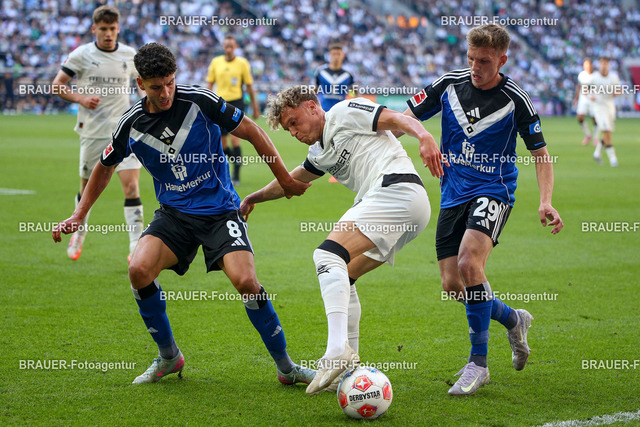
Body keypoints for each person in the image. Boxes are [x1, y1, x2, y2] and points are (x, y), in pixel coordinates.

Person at [52, 43, 314, 386]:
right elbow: (104, 165)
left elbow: (252, 131)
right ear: (140, 84)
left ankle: (287, 368)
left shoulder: (200, 101)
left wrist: (285, 180)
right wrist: (79, 213)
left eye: (170, 83)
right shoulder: (131, 124)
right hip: (174, 215)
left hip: (221, 212)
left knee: (247, 282)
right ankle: (169, 356)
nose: (165, 93)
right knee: (138, 270)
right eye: (156, 86)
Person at [240, 86, 445, 395]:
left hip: (397, 190)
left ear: (312, 107)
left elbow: (397, 120)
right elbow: (290, 182)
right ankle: (347, 373)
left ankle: (337, 349)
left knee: (327, 256)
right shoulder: (318, 152)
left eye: (294, 122)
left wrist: (425, 136)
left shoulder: (343, 112)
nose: (293, 132)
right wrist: (252, 198)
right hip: (406, 209)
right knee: (344, 275)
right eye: (288, 129)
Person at [402, 24, 563, 395]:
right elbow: (404, 117)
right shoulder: (448, 84)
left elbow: (541, 154)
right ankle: (513, 318)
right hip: (452, 193)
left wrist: (545, 200)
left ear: (502, 60)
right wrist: (416, 136)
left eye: (485, 61)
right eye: (471, 58)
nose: (476, 67)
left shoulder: (516, 100)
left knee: (469, 263)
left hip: (494, 190)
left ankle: (478, 364)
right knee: (452, 284)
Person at [51, 5, 144, 262]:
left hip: (124, 132)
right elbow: (57, 85)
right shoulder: (81, 54)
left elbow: (143, 86)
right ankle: (79, 232)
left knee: (132, 186)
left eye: (112, 28)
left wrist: (145, 104)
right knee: (86, 188)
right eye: (103, 29)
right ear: (94, 29)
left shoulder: (130, 55)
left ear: (118, 28)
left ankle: (136, 245)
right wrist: (81, 99)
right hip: (93, 131)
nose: (108, 33)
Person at [205, 35, 260, 186]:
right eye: (226, 46)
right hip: (220, 104)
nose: (229, 49)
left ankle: (236, 175)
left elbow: (249, 86)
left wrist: (255, 107)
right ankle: (234, 164)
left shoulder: (242, 63)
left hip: (236, 103)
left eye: (231, 46)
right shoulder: (216, 62)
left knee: (235, 139)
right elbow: (209, 84)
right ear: (223, 48)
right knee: (222, 145)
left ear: (235, 47)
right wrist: (206, 104)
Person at [590, 57, 621, 167]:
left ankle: (597, 153)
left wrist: (615, 93)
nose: (603, 65)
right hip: (599, 108)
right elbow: (586, 90)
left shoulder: (613, 77)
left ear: (608, 65)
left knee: (607, 132)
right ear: (599, 64)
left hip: (610, 107)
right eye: (602, 63)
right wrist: (591, 96)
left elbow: (620, 90)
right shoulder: (594, 77)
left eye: (605, 63)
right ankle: (613, 158)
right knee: (606, 131)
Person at [313, 43, 355, 111]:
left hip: (340, 112)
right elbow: (314, 92)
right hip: (323, 112)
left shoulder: (348, 74)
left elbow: (355, 93)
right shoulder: (321, 72)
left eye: (338, 54)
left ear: (343, 55)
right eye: (334, 54)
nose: (336, 56)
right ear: (329, 55)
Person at [573, 58, 597, 146]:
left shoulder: (596, 76)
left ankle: (596, 138)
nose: (586, 66)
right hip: (583, 99)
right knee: (580, 117)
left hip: (593, 100)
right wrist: (576, 98)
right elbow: (579, 87)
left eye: (588, 64)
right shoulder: (582, 75)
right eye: (585, 65)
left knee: (595, 119)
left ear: (591, 65)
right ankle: (588, 135)